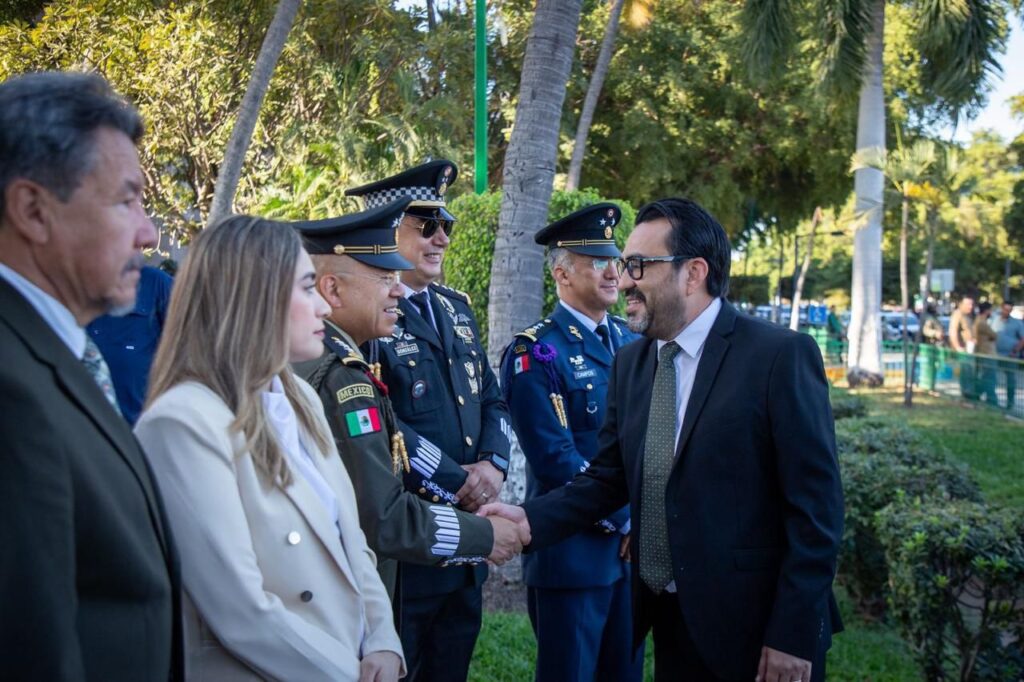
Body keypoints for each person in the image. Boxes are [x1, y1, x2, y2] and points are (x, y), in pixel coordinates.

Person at [480, 198, 844, 681]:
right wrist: (528, 520)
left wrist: (792, 633)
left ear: (693, 273)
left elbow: (817, 511)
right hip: (672, 622)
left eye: (638, 266)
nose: (624, 279)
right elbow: (607, 480)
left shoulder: (778, 356)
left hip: (760, 633)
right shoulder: (633, 363)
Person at [134, 215, 404, 681]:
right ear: (253, 298)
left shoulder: (300, 400)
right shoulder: (183, 422)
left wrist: (383, 640)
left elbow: (352, 542)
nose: (323, 306)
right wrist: (350, 674)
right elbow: (242, 612)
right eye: (307, 288)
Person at [0, 71, 182, 681]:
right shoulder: (10, 390)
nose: (148, 234)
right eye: (126, 202)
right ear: (33, 210)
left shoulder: (51, 350)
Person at [292, 198, 525, 607]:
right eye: (385, 277)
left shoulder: (448, 311)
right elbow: (384, 515)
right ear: (333, 289)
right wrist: (476, 518)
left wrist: (492, 465)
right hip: (384, 568)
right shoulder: (342, 373)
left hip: (426, 548)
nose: (398, 289)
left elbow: (489, 396)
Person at [346, 160, 513, 681]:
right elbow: (381, 421)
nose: (441, 237)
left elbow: (491, 396)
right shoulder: (367, 313)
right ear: (388, 227)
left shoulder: (456, 308)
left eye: (447, 225)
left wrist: (494, 465)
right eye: (427, 225)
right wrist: (457, 479)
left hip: (465, 547)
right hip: (408, 544)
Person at [499, 203, 643, 682]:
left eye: (614, 260)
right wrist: (625, 517)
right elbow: (554, 457)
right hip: (573, 553)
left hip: (631, 554)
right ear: (561, 273)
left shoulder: (629, 339)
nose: (613, 272)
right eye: (597, 261)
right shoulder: (536, 351)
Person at [87, 264, 173, 424]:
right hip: (90, 423)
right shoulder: (77, 287)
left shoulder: (156, 283)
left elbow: (186, 352)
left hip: (140, 426)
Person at [992, 301, 1024, 411]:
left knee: (1010, 380)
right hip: (995, 354)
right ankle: (992, 401)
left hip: (1010, 355)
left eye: (1009, 310)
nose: (1007, 312)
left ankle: (1010, 403)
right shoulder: (995, 320)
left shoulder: (1017, 323)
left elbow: (1023, 338)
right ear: (1001, 308)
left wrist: (1015, 350)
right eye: (1005, 309)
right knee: (992, 378)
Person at [949, 295, 976, 399]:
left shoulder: (968, 315)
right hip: (963, 350)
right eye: (968, 304)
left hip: (970, 348)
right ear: (961, 304)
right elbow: (953, 332)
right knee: (966, 373)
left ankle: (969, 394)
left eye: (972, 304)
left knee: (970, 372)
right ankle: (966, 395)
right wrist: (958, 347)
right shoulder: (958, 314)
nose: (971, 306)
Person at [972, 302, 999, 404]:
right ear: (987, 311)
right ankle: (991, 400)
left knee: (987, 377)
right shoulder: (981, 322)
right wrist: (992, 337)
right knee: (989, 378)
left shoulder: (980, 321)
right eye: (990, 310)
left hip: (986, 353)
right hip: (987, 354)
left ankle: (976, 395)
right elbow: (994, 335)